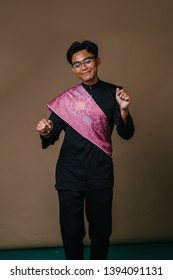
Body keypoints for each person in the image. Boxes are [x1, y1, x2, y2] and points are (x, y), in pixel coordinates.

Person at [36, 40, 135, 260]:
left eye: (87, 61)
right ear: (73, 69)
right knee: (71, 233)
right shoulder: (67, 99)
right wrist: (45, 130)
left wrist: (124, 111)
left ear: (97, 60)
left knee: (101, 232)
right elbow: (51, 137)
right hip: (69, 174)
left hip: (100, 173)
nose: (84, 67)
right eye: (78, 64)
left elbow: (126, 133)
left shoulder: (114, 93)